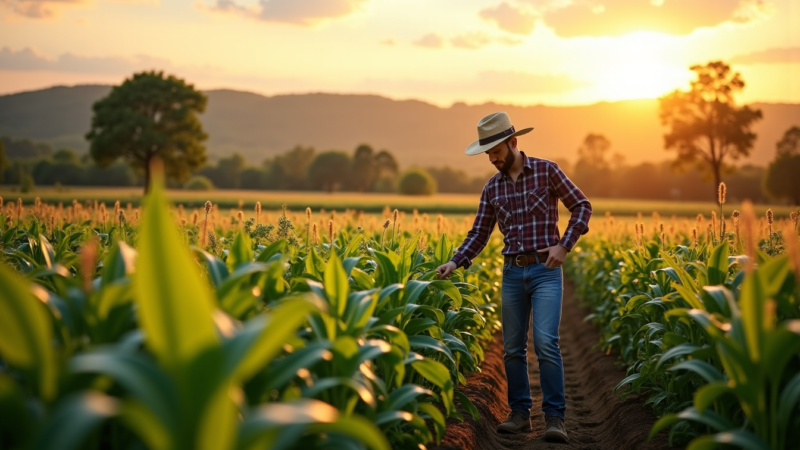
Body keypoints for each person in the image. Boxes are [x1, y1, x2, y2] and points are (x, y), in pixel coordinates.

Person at [435, 112, 592, 443]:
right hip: (511, 272)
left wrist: (565, 245)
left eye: (495, 151)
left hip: (545, 271)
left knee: (546, 343)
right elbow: (479, 233)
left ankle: (555, 418)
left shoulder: (548, 171)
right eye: (487, 153)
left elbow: (581, 206)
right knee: (512, 349)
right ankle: (520, 415)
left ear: (513, 143)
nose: (491, 159)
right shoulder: (492, 188)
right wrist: (454, 262)